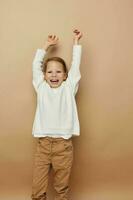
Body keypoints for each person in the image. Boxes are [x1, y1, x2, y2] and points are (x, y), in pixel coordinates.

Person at [31, 29, 83, 200]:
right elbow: (35, 66)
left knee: (62, 187)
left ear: (66, 75)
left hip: (63, 146)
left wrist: (76, 43)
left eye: (59, 72)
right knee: (38, 189)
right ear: (44, 76)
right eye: (50, 72)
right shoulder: (41, 87)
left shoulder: (69, 88)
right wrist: (45, 46)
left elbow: (75, 65)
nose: (54, 75)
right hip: (43, 145)